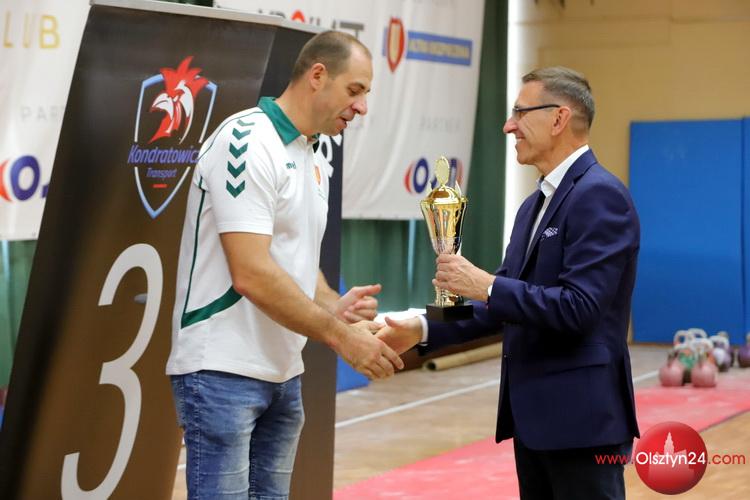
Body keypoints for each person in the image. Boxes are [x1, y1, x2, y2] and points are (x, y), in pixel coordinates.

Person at [377, 66, 640, 499]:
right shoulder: (532, 206)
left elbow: (579, 308)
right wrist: (421, 328)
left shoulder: (600, 195)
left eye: (520, 112)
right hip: (534, 422)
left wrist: (486, 285)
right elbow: (499, 308)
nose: (508, 126)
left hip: (582, 423)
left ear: (558, 118)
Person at [166, 30, 403, 499]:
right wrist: (341, 338)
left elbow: (296, 263)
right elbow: (252, 273)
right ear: (317, 75)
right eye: (355, 90)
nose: (361, 107)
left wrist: (335, 306)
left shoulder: (313, 153)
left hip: (283, 372)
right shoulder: (246, 140)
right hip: (221, 370)